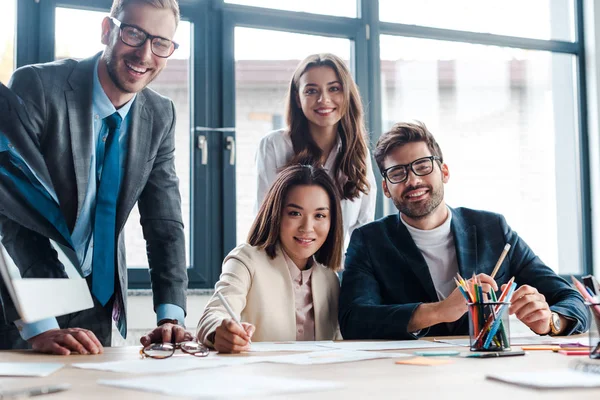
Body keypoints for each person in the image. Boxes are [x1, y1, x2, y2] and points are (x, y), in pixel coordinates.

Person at [0, 0, 190, 355]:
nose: (145, 55)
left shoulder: (159, 113)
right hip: (24, 305)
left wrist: (171, 317)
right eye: (134, 33)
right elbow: (12, 213)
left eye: (161, 43)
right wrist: (40, 321)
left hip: (96, 302)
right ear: (107, 30)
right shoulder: (37, 86)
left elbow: (164, 221)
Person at [338, 121, 589, 339]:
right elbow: (354, 320)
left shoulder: (492, 229)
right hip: (408, 376)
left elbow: (572, 300)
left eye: (423, 166)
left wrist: (552, 322)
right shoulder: (369, 241)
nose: (412, 180)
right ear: (385, 187)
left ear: (444, 172)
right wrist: (439, 311)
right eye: (397, 173)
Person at [197, 164, 343, 353]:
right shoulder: (246, 260)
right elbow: (213, 314)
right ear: (276, 213)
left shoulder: (330, 279)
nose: (307, 227)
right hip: (260, 378)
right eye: (295, 213)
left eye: (320, 215)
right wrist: (219, 332)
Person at [255, 53, 376, 251]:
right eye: (311, 91)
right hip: (283, 269)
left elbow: (363, 227)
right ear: (298, 97)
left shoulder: (358, 153)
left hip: (337, 273)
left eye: (334, 88)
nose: (324, 99)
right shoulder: (274, 146)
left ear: (347, 94)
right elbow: (265, 223)